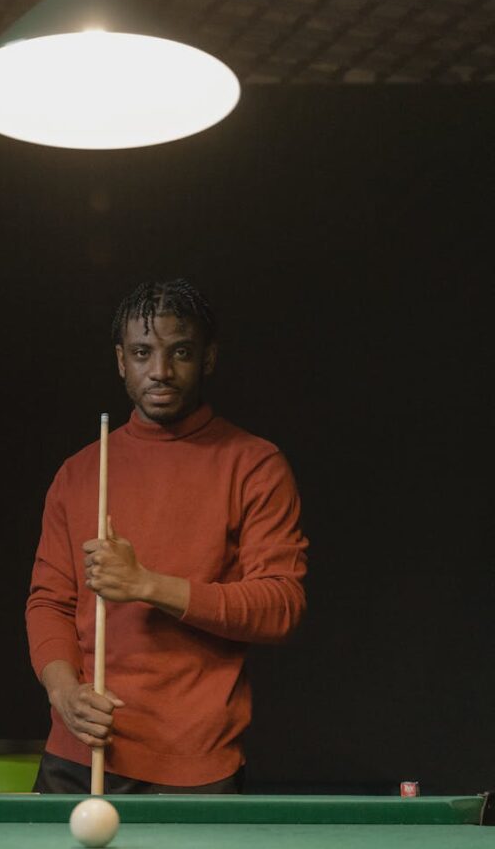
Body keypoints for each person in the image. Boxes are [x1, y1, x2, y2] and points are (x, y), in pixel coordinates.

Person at [26, 278, 307, 793]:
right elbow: (48, 602)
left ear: (208, 358)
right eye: (142, 352)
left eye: (180, 351)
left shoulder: (253, 464)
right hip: (80, 752)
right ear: (120, 361)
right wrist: (64, 695)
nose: (160, 370)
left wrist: (146, 584)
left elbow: (280, 606)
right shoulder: (80, 472)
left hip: (197, 766)